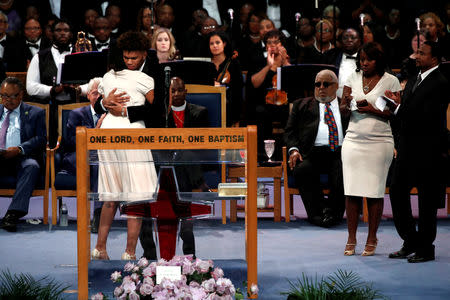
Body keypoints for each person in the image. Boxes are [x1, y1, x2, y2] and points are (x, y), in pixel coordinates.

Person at [91, 31, 158, 261]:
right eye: (127, 57)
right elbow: (97, 101)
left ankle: (125, 251)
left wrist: (123, 110)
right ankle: (103, 249)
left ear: (143, 55)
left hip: (128, 133)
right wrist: (103, 102)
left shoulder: (148, 76)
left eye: (134, 58)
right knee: (114, 194)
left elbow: (157, 110)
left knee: (131, 195)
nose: (130, 61)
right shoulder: (109, 76)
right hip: (114, 134)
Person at [386, 41, 449, 263]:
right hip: (407, 149)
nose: (416, 56)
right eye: (416, 52)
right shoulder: (415, 78)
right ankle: (410, 240)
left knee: (427, 202)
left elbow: (427, 117)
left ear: (435, 58)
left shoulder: (441, 82)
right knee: (396, 191)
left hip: (429, 151)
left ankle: (425, 248)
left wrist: (400, 108)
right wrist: (397, 105)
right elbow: (408, 111)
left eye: (422, 53)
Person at [341, 42, 402, 256]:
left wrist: (372, 110)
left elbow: (394, 112)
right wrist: (346, 103)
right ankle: (351, 238)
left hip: (380, 141)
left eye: (369, 59)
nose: (364, 63)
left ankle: (372, 237)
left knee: (374, 192)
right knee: (352, 191)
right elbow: (344, 110)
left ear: (378, 60)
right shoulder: (352, 78)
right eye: (362, 59)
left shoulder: (391, 80)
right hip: (353, 140)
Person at [139, 76, 210, 259]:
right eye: (172, 91)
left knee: (186, 156)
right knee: (143, 212)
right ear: (167, 93)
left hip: (184, 169)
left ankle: (189, 256)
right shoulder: (159, 113)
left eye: (180, 90)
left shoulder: (199, 112)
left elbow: (205, 144)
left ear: (186, 92)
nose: (177, 94)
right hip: (159, 167)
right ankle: (149, 255)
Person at [284, 70, 349, 227]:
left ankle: (333, 213)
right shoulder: (301, 105)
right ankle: (318, 213)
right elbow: (289, 132)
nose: (321, 87)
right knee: (301, 169)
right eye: (317, 84)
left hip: (339, 152)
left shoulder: (346, 107)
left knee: (344, 170)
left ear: (336, 86)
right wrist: (294, 150)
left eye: (326, 84)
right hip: (310, 153)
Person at [0, 77, 47, 232]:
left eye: (12, 96)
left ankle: (12, 214)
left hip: (22, 157)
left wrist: (19, 149)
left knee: (32, 166)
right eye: (4, 96)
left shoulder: (36, 113)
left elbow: (41, 139)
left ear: (21, 95)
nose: (7, 100)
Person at [59, 77, 105, 233]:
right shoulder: (76, 114)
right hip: (76, 156)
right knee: (96, 163)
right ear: (88, 95)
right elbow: (71, 141)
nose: (98, 97)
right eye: (95, 93)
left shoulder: (113, 115)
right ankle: (99, 213)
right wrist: (95, 132)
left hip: (104, 157)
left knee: (99, 163)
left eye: (102, 94)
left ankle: (101, 213)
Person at [208, 31, 243, 126]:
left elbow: (237, 88)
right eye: (211, 44)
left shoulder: (234, 63)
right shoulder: (206, 64)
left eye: (217, 43)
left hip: (229, 103)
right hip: (208, 101)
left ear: (224, 44)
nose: (215, 46)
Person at [323, 28, 362, 99]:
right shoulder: (330, 56)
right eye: (345, 38)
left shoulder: (367, 57)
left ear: (359, 41)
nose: (349, 40)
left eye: (353, 37)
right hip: (334, 99)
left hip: (360, 100)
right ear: (341, 41)